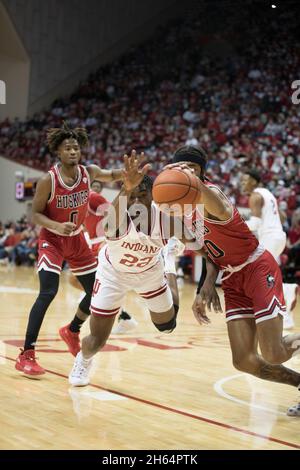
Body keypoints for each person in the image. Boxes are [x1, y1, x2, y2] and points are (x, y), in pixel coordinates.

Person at [164, 145, 300, 416]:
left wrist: (185, 179)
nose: (186, 173)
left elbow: (212, 200)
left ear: (201, 172)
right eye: (180, 168)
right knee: (245, 361)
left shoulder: (211, 193)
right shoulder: (183, 211)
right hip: (232, 277)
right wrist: (205, 287)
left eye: (191, 168)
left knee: (272, 352)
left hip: (257, 267)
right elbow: (210, 251)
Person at [68, 153, 220, 386]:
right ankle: (84, 359)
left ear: (154, 197)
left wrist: (208, 282)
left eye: (143, 195)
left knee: (167, 326)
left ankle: (167, 260)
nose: (137, 201)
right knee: (96, 341)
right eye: (132, 196)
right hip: (113, 275)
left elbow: (207, 251)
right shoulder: (118, 217)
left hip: (149, 274)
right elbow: (108, 227)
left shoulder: (168, 221)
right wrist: (126, 189)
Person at [15, 123, 125, 377]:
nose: (73, 151)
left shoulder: (89, 172)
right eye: (68, 147)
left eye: (76, 147)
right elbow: (34, 214)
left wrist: (128, 171)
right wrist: (56, 225)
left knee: (98, 292)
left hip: (76, 240)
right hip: (52, 240)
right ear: (58, 152)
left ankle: (72, 329)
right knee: (48, 292)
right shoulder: (48, 180)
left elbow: (110, 175)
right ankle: (26, 354)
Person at [63, 179, 138, 336]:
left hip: (103, 243)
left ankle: (120, 316)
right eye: (94, 186)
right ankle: (123, 316)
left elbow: (115, 215)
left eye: (98, 187)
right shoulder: (81, 203)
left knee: (85, 282)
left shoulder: (94, 198)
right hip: (93, 244)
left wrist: (111, 239)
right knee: (79, 281)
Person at [241, 169, 298, 329]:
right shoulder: (268, 194)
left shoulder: (255, 196)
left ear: (255, 181)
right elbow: (283, 216)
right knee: (267, 275)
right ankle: (282, 315)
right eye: (242, 181)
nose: (242, 184)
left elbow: (255, 224)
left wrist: (233, 226)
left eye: (246, 180)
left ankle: (287, 291)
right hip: (279, 236)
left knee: (258, 274)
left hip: (270, 237)